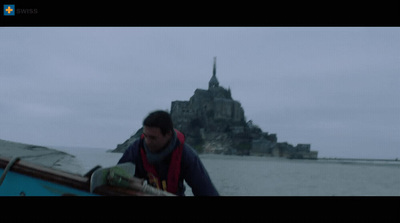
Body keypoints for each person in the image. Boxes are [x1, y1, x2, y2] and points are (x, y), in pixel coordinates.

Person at [118, 110, 219, 196]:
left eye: (153, 138)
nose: (147, 142)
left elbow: (206, 191)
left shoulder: (186, 155)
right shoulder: (135, 150)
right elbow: (117, 178)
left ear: (168, 134)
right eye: (145, 136)